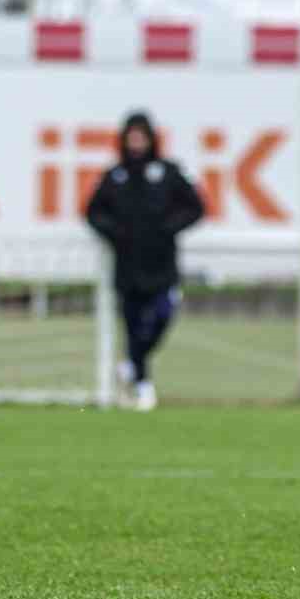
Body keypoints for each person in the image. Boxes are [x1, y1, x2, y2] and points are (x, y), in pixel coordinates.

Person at [84, 111, 205, 411]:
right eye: (132, 137)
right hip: (128, 266)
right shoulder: (115, 176)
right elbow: (93, 212)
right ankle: (143, 384)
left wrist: (169, 227)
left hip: (162, 263)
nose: (136, 143)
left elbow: (196, 206)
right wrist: (116, 234)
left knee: (163, 316)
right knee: (133, 325)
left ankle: (131, 365)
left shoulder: (168, 172)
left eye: (141, 136)